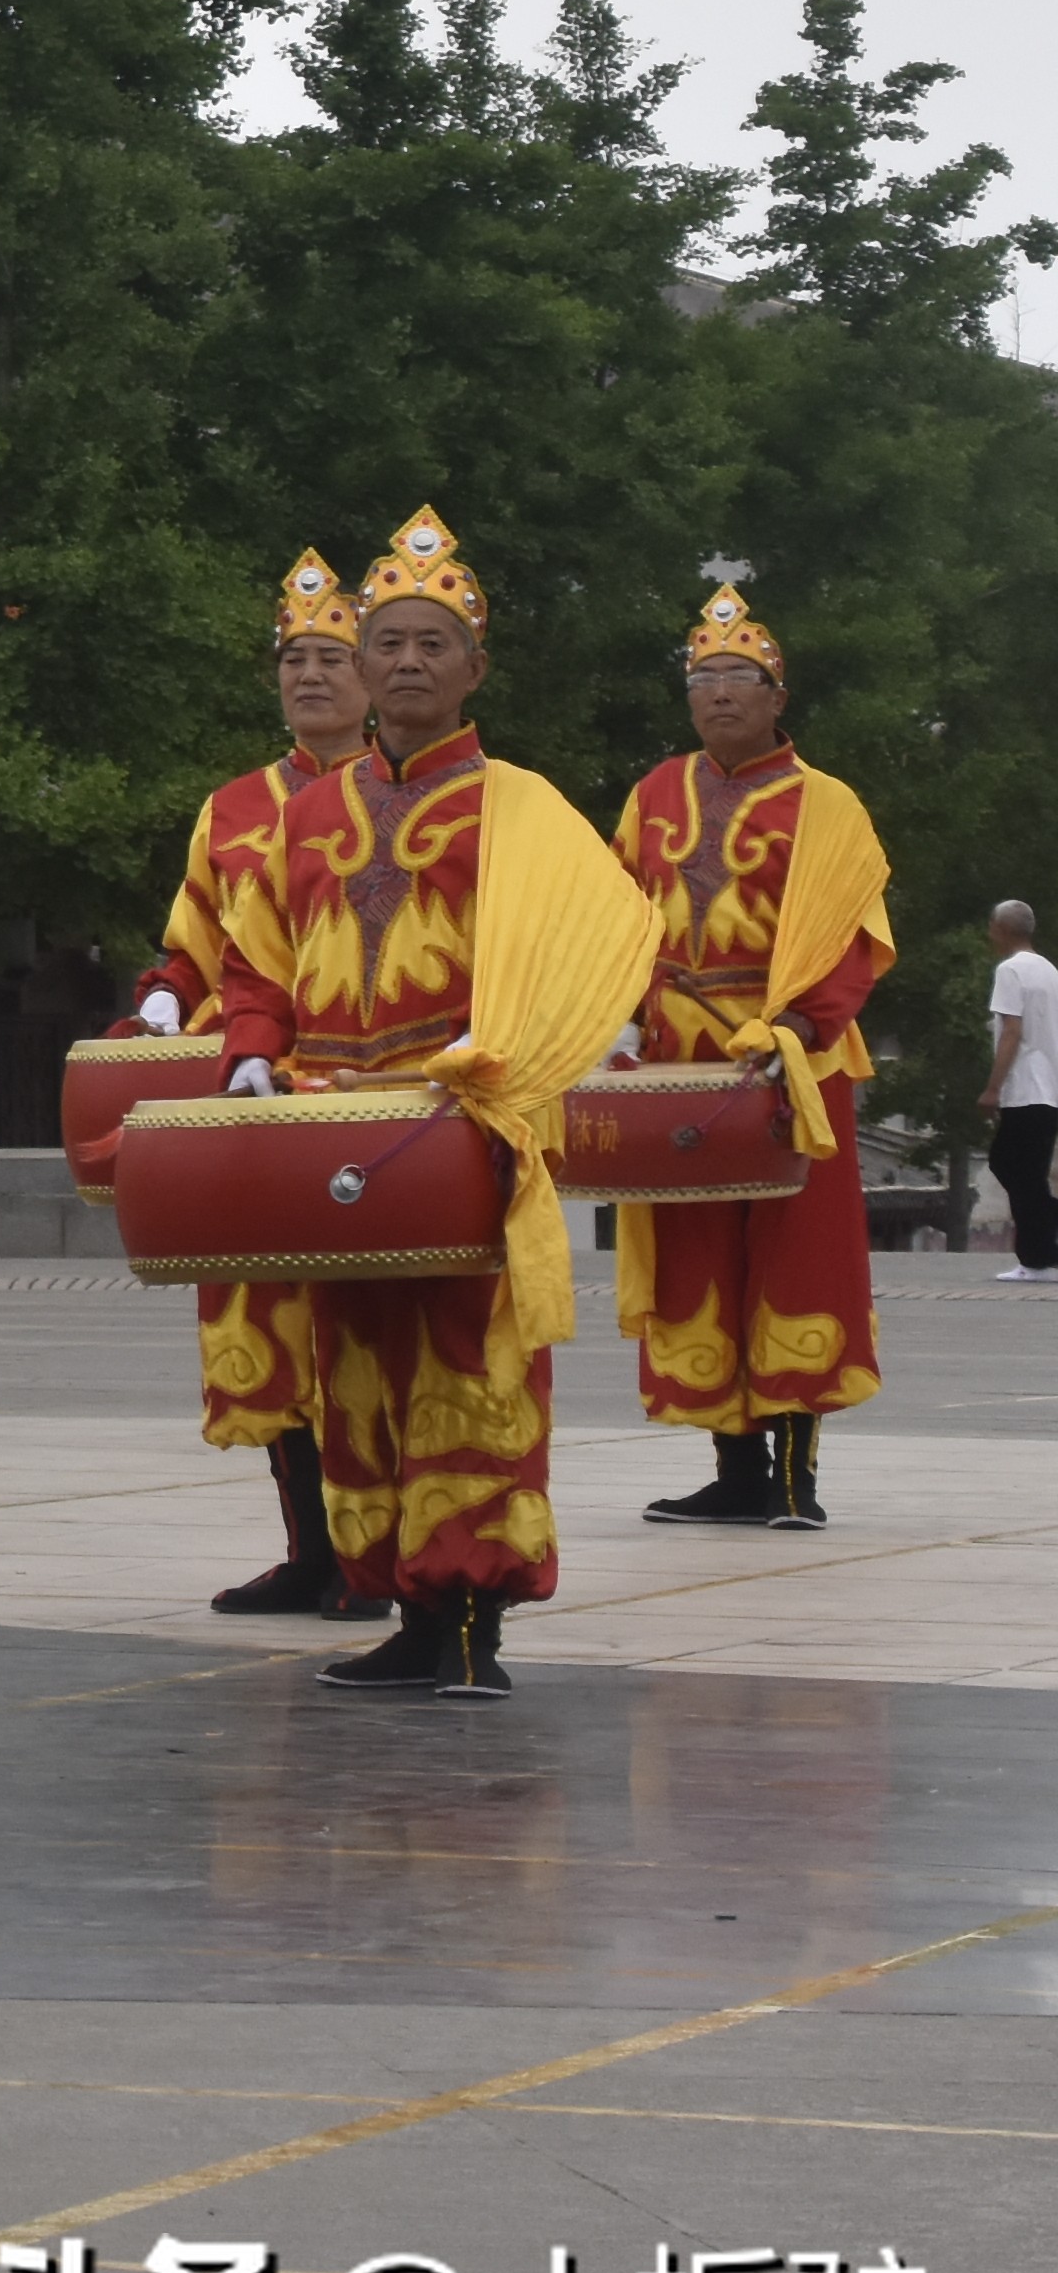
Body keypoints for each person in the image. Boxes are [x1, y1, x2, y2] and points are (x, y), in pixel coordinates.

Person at [210, 508, 659, 1700]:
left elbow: (607, 936)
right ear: (360, 666)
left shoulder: (521, 805)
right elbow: (254, 962)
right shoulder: (305, 816)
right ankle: (406, 1603)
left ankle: (471, 1616)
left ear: (475, 668)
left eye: (432, 644)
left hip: (463, 1125)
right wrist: (253, 1049)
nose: (407, 661)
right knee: (356, 1367)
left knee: (473, 1363)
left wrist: (535, 1057)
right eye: (389, 643)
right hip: (335, 1129)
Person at [126, 552, 391, 1617]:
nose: (311, 677)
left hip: (364, 1099)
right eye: (296, 659)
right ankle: (311, 1549)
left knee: (364, 1331)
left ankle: (381, 1556)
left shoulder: (400, 795)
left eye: (332, 657)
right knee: (269, 1328)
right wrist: (159, 996)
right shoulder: (233, 806)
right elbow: (194, 943)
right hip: (251, 1093)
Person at [610, 583, 893, 1529]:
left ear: (779, 696)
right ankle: (733, 1472)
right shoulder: (653, 793)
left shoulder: (828, 805)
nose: (719, 693)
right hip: (676, 1058)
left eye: (740, 677)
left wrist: (806, 1029)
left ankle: (795, 1477)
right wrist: (610, 1020)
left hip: (790, 1059)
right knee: (696, 1256)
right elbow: (609, 918)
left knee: (794, 1260)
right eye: (704, 678)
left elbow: (852, 935)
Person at [992, 898, 1058, 1280]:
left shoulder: (1011, 971)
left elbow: (1011, 1032)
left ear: (1002, 930)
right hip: (1048, 1087)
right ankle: (1041, 1251)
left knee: (1013, 1166)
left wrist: (992, 1087)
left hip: (1025, 1087)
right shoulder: (1049, 970)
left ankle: (1035, 1259)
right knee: (1021, 1170)